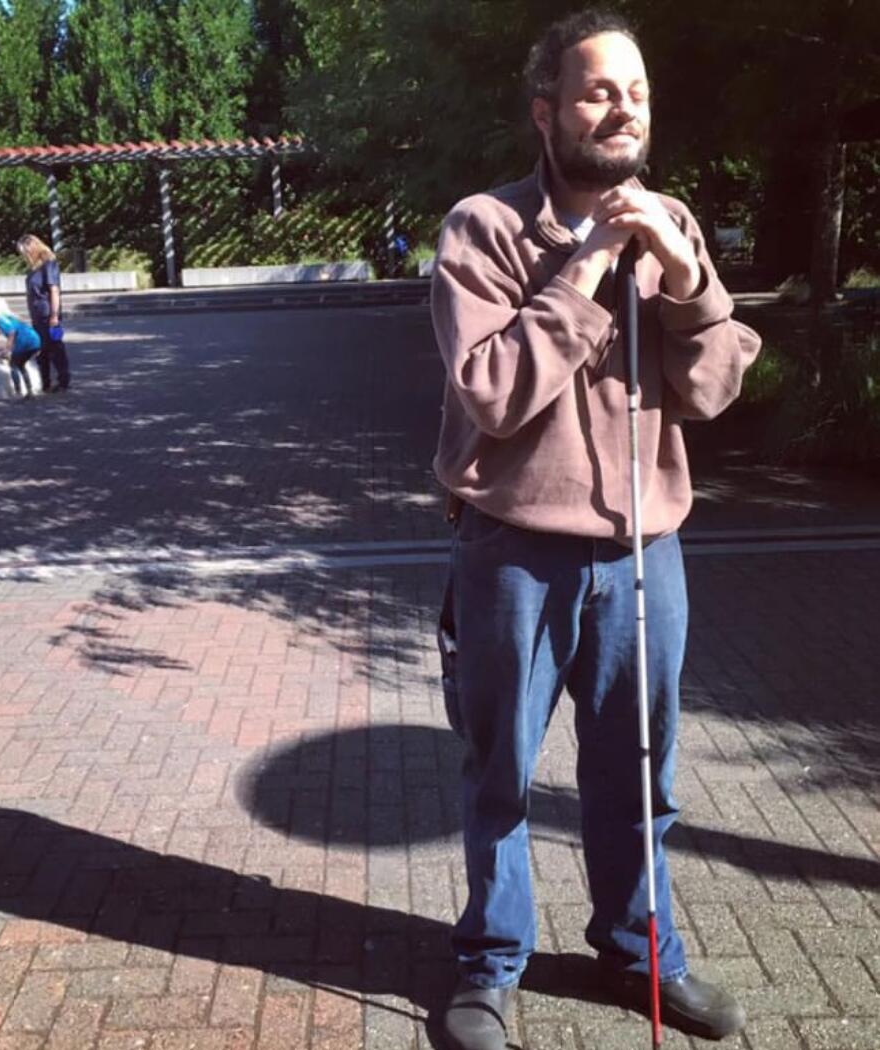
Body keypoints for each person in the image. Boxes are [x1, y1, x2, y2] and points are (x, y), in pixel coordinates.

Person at [430, 12, 761, 1050]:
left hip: (641, 557)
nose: (622, 109)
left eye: (637, 92)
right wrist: (583, 269)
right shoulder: (482, 229)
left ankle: (637, 954)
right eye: (595, 91)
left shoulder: (669, 223)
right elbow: (490, 391)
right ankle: (489, 965)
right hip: (511, 558)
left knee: (639, 770)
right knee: (499, 773)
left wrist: (685, 280)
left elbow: (709, 395)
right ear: (545, 112)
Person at [16, 233, 70, 392]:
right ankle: (45, 382)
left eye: (24, 252)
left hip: (49, 314)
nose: (24, 256)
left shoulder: (49, 264)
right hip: (37, 315)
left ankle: (63, 380)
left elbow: (54, 290)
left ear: (32, 248)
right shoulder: (33, 268)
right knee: (41, 350)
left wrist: (54, 315)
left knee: (56, 347)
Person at [0, 308, 42, 398]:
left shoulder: (0, 319)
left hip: (25, 343)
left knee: (13, 365)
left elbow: (11, 333)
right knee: (21, 365)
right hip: (35, 341)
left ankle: (18, 391)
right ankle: (29, 390)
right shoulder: (12, 317)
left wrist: (6, 350)